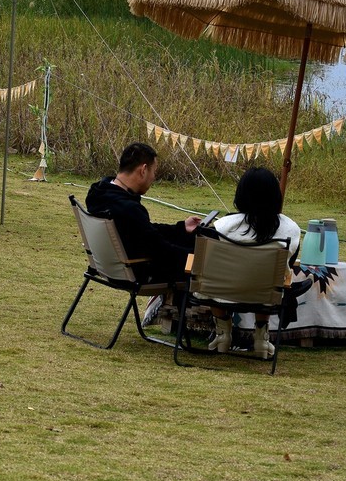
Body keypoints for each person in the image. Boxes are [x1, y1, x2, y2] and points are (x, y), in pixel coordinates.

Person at [206, 166, 302, 358]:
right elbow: (287, 269)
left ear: (241, 194)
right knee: (272, 279)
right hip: (266, 296)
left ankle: (223, 334)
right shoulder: (290, 230)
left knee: (210, 273)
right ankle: (261, 338)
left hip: (223, 292)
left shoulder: (222, 227)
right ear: (276, 196)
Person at [85, 142, 201, 285]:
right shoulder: (128, 208)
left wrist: (181, 227)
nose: (154, 177)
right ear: (143, 170)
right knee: (202, 258)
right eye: (154, 171)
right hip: (138, 271)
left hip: (109, 267)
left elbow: (144, 231)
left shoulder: (99, 193)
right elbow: (161, 250)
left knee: (189, 240)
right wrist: (197, 257)